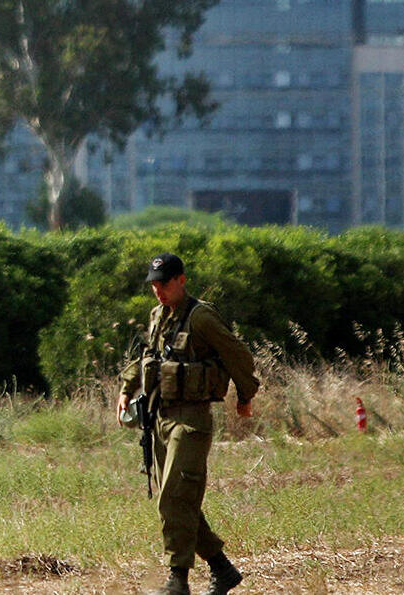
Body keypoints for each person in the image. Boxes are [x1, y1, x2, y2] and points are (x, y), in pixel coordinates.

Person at [116, 252, 259, 595]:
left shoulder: (201, 317)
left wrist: (244, 395)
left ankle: (177, 579)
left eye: (164, 283)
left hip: (191, 420)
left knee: (174, 498)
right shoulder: (158, 316)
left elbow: (237, 354)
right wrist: (126, 387)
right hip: (160, 419)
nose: (159, 291)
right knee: (182, 500)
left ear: (181, 280)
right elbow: (147, 355)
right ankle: (222, 570)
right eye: (154, 285)